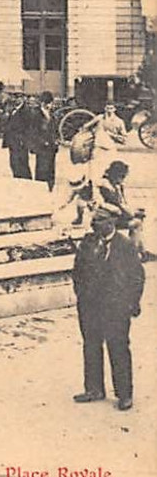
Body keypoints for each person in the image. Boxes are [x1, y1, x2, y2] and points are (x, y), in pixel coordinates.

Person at [72, 210, 145, 411]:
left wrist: (132, 303)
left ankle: (124, 394)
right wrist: (81, 295)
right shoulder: (88, 242)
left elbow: (137, 277)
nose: (95, 225)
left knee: (118, 348)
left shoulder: (126, 245)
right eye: (94, 221)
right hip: (90, 306)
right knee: (91, 345)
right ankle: (94, 389)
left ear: (112, 222)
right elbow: (77, 270)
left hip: (116, 307)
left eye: (100, 221)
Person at [97, 161, 146, 258]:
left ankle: (140, 250)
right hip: (107, 219)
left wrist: (133, 212)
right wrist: (133, 213)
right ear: (117, 175)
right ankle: (134, 253)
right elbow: (119, 205)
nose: (123, 179)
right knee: (136, 223)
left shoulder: (109, 183)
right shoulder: (108, 186)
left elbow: (121, 205)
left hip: (110, 216)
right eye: (122, 176)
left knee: (137, 220)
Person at [1, 94, 43, 180]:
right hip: (12, 140)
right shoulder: (13, 109)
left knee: (21, 159)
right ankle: (17, 175)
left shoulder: (25, 110)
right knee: (13, 160)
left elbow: (29, 126)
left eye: (20, 98)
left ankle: (25, 177)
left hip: (20, 139)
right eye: (16, 97)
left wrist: (25, 139)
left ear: (24, 99)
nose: (18, 100)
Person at [85, 104, 128, 180]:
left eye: (111, 108)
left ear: (114, 109)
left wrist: (113, 135)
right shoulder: (99, 118)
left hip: (110, 149)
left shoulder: (119, 122)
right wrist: (92, 132)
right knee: (93, 171)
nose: (109, 110)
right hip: (98, 148)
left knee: (109, 172)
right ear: (105, 109)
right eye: (107, 108)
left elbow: (124, 139)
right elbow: (86, 126)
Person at [34, 90, 59, 191]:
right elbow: (34, 131)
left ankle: (50, 188)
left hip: (52, 146)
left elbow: (54, 129)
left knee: (51, 168)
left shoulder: (51, 114)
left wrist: (56, 140)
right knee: (41, 168)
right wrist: (42, 141)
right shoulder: (36, 114)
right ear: (43, 103)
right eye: (49, 103)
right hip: (42, 146)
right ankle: (40, 189)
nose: (51, 106)